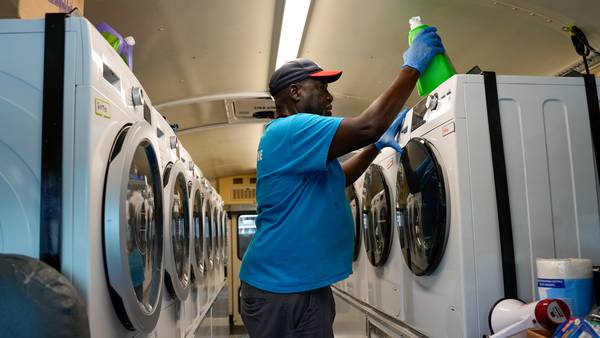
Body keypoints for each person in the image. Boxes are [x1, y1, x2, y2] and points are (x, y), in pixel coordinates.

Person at [239, 26, 445, 337]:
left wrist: (373, 148)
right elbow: (368, 125)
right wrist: (412, 67)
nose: (329, 96)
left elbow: (340, 178)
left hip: (299, 284)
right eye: (320, 88)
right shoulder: (292, 128)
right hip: (281, 288)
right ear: (295, 92)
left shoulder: (295, 142)